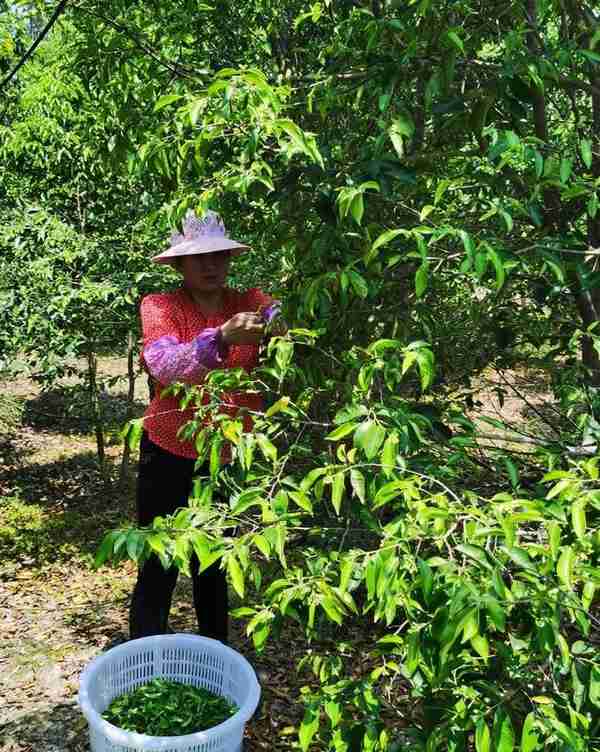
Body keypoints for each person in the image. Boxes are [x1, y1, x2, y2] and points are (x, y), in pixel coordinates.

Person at [129, 210, 280, 643]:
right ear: (179, 265)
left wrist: (276, 319)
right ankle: (143, 660)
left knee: (214, 562)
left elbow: (281, 315)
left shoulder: (246, 300)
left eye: (219, 256)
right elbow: (163, 364)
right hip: (169, 448)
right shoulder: (160, 306)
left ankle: (215, 656)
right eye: (199, 259)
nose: (211, 265)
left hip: (227, 453)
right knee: (159, 560)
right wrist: (221, 339)